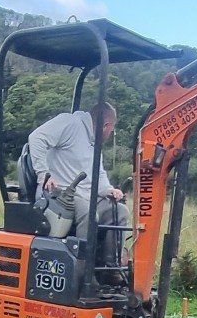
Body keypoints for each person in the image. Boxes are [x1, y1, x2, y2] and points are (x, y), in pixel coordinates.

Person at [26, 102, 129, 262]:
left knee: (120, 211)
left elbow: (98, 176)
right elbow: (36, 138)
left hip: (85, 197)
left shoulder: (94, 145)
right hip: (59, 195)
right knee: (89, 214)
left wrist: (109, 190)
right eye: (112, 130)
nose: (111, 134)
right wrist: (43, 174)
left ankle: (110, 268)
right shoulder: (70, 124)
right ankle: (82, 271)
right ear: (106, 125)